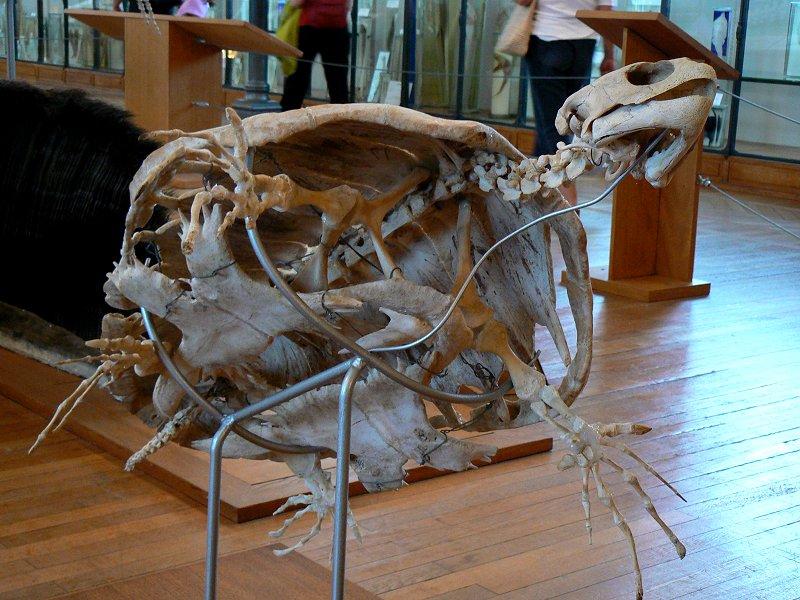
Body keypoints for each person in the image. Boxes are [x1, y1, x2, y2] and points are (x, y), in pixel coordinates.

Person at [519, 0, 615, 206]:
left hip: (547, 38)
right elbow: (605, 10)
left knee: (550, 124)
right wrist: (609, 54)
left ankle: (568, 201)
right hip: (584, 45)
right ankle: (539, 195)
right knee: (567, 120)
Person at [280, 0, 351, 111]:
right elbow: (348, 5)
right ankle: (342, 118)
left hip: (310, 26)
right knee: (338, 82)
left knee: (298, 78)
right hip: (338, 27)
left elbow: (297, 2)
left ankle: (288, 116)